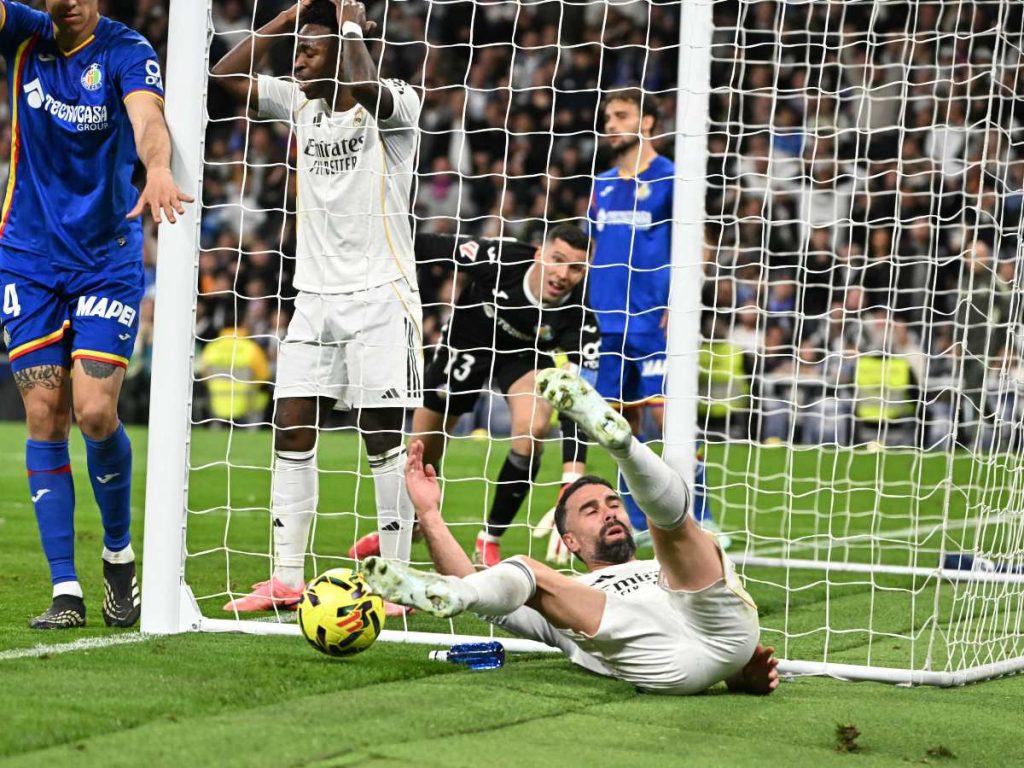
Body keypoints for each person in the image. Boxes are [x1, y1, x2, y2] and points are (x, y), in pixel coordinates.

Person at [364, 369, 778, 695]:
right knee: (523, 571)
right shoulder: (561, 599)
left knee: (671, 526)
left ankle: (621, 444)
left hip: (730, 642)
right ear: (570, 541)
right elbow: (481, 584)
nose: (609, 513)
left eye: (613, 503)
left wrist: (742, 676)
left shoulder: (668, 564)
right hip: (659, 663)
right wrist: (428, 513)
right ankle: (455, 594)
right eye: (591, 510)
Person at [211, 0, 422, 612]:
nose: (298, 59)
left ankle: (396, 580)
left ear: (343, 51)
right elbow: (224, 77)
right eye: (297, 49)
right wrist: (286, 21)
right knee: (291, 422)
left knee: (381, 436)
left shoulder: (396, 103)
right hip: (315, 296)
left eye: (310, 49)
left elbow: (365, 85)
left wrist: (350, 28)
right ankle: (285, 579)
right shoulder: (301, 104)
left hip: (381, 293)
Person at [0, 0, 192, 629]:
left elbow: (147, 119)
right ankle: (65, 590)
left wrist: (157, 168)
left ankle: (118, 557)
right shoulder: (25, 38)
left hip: (105, 257)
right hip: (27, 257)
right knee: (42, 412)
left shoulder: (125, 50)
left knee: (94, 412)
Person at [348, 224, 600, 567]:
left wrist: (571, 482)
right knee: (422, 450)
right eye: (557, 259)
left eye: (576, 268)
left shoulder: (581, 318)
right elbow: (430, 245)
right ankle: (407, 527)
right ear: (540, 254)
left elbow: (578, 404)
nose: (563, 274)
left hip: (523, 357)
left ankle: (489, 540)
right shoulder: (499, 257)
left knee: (532, 432)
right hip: (466, 343)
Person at [588, 89, 727, 547]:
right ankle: (638, 519)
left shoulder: (671, 178)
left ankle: (700, 516)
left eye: (620, 115)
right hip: (607, 321)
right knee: (620, 428)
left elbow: (700, 242)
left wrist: (682, 300)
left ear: (646, 121)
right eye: (608, 116)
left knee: (669, 418)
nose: (610, 124)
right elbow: (593, 248)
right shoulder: (602, 184)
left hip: (654, 319)